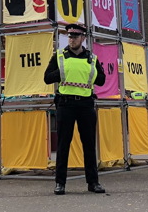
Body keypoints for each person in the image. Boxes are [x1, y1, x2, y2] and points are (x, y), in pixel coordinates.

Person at [43, 23, 106, 196]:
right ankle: (60, 183)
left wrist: (87, 75)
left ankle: (93, 182)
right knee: (63, 145)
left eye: (75, 36)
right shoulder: (59, 56)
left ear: (83, 38)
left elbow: (101, 80)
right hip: (66, 104)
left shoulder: (92, 58)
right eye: (69, 36)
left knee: (89, 145)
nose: (71, 40)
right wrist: (64, 74)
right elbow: (47, 78)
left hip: (86, 105)